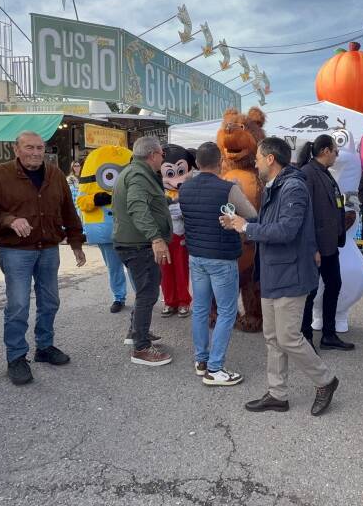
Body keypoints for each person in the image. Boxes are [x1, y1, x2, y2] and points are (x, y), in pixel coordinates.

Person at [220, 137, 339, 416]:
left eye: (259, 158)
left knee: (288, 338)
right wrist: (239, 223)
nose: (256, 163)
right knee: (273, 337)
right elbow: (268, 224)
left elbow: (286, 230)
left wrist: (247, 228)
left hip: (290, 274)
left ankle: (325, 381)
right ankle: (277, 394)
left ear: (271, 159)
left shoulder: (293, 187)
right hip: (274, 272)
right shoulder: (276, 186)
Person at [0, 131, 86, 386]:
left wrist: (76, 242)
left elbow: (68, 210)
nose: (35, 153)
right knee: (18, 305)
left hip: (49, 248)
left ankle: (44, 347)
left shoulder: (55, 174)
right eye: (29, 147)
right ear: (16, 150)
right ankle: (16, 357)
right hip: (15, 250)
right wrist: (9, 220)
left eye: (39, 148)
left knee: (50, 301)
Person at [178, 142, 256, 385]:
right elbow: (251, 215)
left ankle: (201, 360)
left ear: (197, 163)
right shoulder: (229, 189)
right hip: (222, 258)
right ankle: (215, 368)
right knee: (227, 311)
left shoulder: (184, 188)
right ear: (220, 162)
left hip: (196, 256)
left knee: (200, 309)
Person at [113, 136, 174, 367]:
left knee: (144, 290)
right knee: (147, 293)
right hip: (139, 245)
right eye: (161, 155)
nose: (163, 159)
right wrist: (156, 238)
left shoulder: (135, 172)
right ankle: (141, 348)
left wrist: (167, 202)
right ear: (152, 155)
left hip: (134, 242)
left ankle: (136, 332)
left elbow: (148, 202)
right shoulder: (138, 175)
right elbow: (137, 207)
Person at [300, 135, 355, 351]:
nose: (337, 155)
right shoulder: (308, 173)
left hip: (330, 245)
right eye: (335, 151)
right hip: (316, 247)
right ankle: (305, 338)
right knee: (310, 292)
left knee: (334, 285)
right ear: (325, 151)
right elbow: (305, 214)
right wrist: (312, 248)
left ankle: (329, 335)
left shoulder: (325, 173)